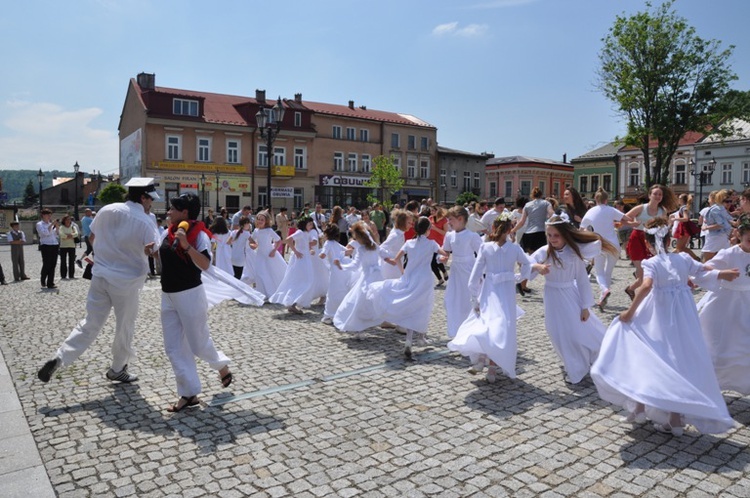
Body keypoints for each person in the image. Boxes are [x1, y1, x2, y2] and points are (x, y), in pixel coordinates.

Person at [591, 217, 738, 436]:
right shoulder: (682, 258)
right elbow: (702, 271)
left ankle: (643, 409)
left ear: (649, 244)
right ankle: (672, 418)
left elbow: (647, 286)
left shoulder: (651, 263)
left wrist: (630, 312)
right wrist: (723, 273)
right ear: (670, 239)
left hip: (657, 314)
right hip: (682, 316)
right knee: (677, 358)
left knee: (647, 354)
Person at [37, 178, 161, 384]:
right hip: (126, 282)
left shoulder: (107, 209)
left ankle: (59, 357)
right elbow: (154, 250)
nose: (151, 204)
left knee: (89, 323)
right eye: (150, 200)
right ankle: (117, 368)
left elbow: (92, 238)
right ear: (143, 197)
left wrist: (108, 252)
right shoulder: (145, 219)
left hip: (101, 274)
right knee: (124, 327)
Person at [159, 193, 233, 412]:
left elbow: (205, 265)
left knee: (198, 343)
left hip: (190, 294)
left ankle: (221, 366)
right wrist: (152, 253)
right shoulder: (167, 231)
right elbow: (164, 258)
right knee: (173, 347)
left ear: (185, 212)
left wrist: (186, 245)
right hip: (168, 294)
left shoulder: (199, 235)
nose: (169, 212)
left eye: (173, 209)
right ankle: (189, 393)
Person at [529, 215, 619, 384]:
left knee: (573, 332)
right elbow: (528, 264)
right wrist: (537, 267)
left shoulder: (573, 253)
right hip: (552, 295)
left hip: (570, 295)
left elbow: (582, 280)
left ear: (565, 235)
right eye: (549, 235)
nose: (552, 239)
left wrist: (585, 306)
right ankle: (575, 362)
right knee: (555, 331)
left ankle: (577, 367)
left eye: (556, 235)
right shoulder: (544, 251)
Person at [448, 214, 532, 382]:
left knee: (486, 324)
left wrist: (474, 297)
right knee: (501, 328)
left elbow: (475, 276)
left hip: (489, 292)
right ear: (510, 230)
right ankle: (492, 367)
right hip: (506, 295)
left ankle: (480, 359)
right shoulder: (515, 249)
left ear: (493, 228)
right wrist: (518, 277)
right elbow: (528, 264)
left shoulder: (485, 248)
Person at [370, 217, 448, 358]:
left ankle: (410, 340)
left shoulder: (409, 243)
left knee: (411, 307)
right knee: (423, 308)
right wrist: (441, 258)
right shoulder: (431, 243)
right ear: (428, 230)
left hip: (410, 278)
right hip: (424, 279)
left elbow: (397, 259)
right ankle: (419, 337)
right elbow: (444, 254)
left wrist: (402, 272)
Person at [698, 213, 750, 395]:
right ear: (740, 235)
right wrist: (720, 273)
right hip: (724, 303)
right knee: (717, 344)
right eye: (749, 239)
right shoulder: (729, 253)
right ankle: (710, 383)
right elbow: (706, 269)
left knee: (743, 344)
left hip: (746, 303)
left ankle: (741, 382)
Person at [623, 184, 678, 300]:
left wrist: (670, 223)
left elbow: (664, 227)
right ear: (649, 195)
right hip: (637, 239)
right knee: (643, 274)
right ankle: (639, 295)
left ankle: (632, 289)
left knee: (652, 270)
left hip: (653, 240)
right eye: (655, 194)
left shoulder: (662, 211)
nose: (658, 196)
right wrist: (632, 223)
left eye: (660, 194)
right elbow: (623, 219)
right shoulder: (640, 208)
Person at [579, 187, 630, 310]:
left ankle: (604, 289)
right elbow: (627, 219)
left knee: (599, 272)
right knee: (608, 272)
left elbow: (581, 230)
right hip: (614, 245)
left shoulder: (590, 212)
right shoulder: (611, 210)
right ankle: (603, 296)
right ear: (607, 200)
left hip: (599, 245)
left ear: (595, 199)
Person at [332, 222, 386, 333]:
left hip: (368, 279)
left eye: (356, 238)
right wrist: (392, 259)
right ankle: (363, 324)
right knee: (371, 300)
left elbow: (355, 265)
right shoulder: (374, 246)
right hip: (377, 277)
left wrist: (341, 266)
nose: (355, 240)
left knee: (358, 301)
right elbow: (384, 253)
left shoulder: (362, 249)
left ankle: (360, 324)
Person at [441, 206, 482, 338]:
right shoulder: (449, 235)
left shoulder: (472, 236)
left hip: (469, 270)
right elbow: (445, 251)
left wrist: (481, 274)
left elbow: (482, 256)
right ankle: (457, 330)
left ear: (460, 219)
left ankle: (472, 331)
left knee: (468, 300)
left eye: (451, 219)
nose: (448, 222)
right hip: (455, 272)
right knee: (454, 300)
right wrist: (442, 257)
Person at [510, 187, 555, 295]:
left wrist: (512, 230)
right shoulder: (546, 203)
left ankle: (522, 283)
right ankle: (521, 282)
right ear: (541, 194)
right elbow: (552, 214)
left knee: (530, 261)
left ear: (532, 195)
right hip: (539, 234)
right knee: (538, 261)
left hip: (528, 234)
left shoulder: (527, 205)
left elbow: (521, 222)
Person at [270, 216, 317, 314]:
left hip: (306, 258)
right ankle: (292, 303)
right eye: (309, 224)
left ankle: (294, 302)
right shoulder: (300, 232)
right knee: (300, 280)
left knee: (306, 280)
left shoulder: (306, 233)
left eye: (312, 224)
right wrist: (295, 251)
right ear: (304, 225)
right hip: (300, 260)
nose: (311, 226)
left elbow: (304, 244)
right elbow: (288, 239)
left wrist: (310, 250)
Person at [320, 224, 354, 325]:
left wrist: (319, 254)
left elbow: (323, 254)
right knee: (341, 290)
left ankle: (329, 315)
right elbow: (346, 251)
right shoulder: (336, 243)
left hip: (335, 269)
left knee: (332, 291)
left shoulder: (328, 243)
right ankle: (340, 312)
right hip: (342, 268)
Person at [249, 211, 287, 300]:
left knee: (272, 272)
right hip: (260, 255)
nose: (260, 221)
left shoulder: (269, 230)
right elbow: (252, 240)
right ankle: (262, 292)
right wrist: (252, 245)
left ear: (266, 221)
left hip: (269, 254)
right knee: (259, 273)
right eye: (258, 219)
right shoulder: (256, 230)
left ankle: (271, 291)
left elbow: (278, 240)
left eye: (262, 219)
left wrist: (274, 250)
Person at [702, 189, 734, 262]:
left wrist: (706, 227)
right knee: (724, 260)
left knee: (707, 259)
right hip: (723, 236)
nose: (729, 203)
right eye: (727, 201)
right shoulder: (721, 209)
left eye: (730, 201)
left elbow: (720, 225)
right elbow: (728, 222)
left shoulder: (716, 209)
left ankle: (705, 273)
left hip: (716, 236)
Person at [37, 209, 60, 289]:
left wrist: (56, 227)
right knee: (47, 264)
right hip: (46, 245)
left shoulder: (50, 224)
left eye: (50, 215)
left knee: (53, 264)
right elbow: (45, 234)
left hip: (54, 244)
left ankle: (50, 282)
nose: (49, 216)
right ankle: (43, 278)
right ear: (43, 215)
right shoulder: (39, 224)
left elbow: (57, 235)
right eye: (48, 215)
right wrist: (51, 225)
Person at [428, 205, 449, 285]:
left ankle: (443, 273)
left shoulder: (443, 220)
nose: (432, 212)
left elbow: (445, 233)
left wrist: (435, 228)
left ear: (438, 211)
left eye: (433, 210)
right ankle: (441, 278)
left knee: (435, 261)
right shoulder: (430, 218)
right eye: (431, 210)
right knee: (432, 262)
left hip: (439, 244)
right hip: (430, 243)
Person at [58, 215, 79, 280]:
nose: (68, 221)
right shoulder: (61, 227)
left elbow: (76, 234)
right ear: (64, 220)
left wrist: (67, 236)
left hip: (72, 246)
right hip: (63, 246)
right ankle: (63, 275)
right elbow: (61, 235)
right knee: (63, 261)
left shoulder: (73, 227)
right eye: (67, 219)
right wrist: (70, 236)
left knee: (72, 261)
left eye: (69, 219)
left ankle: (71, 274)